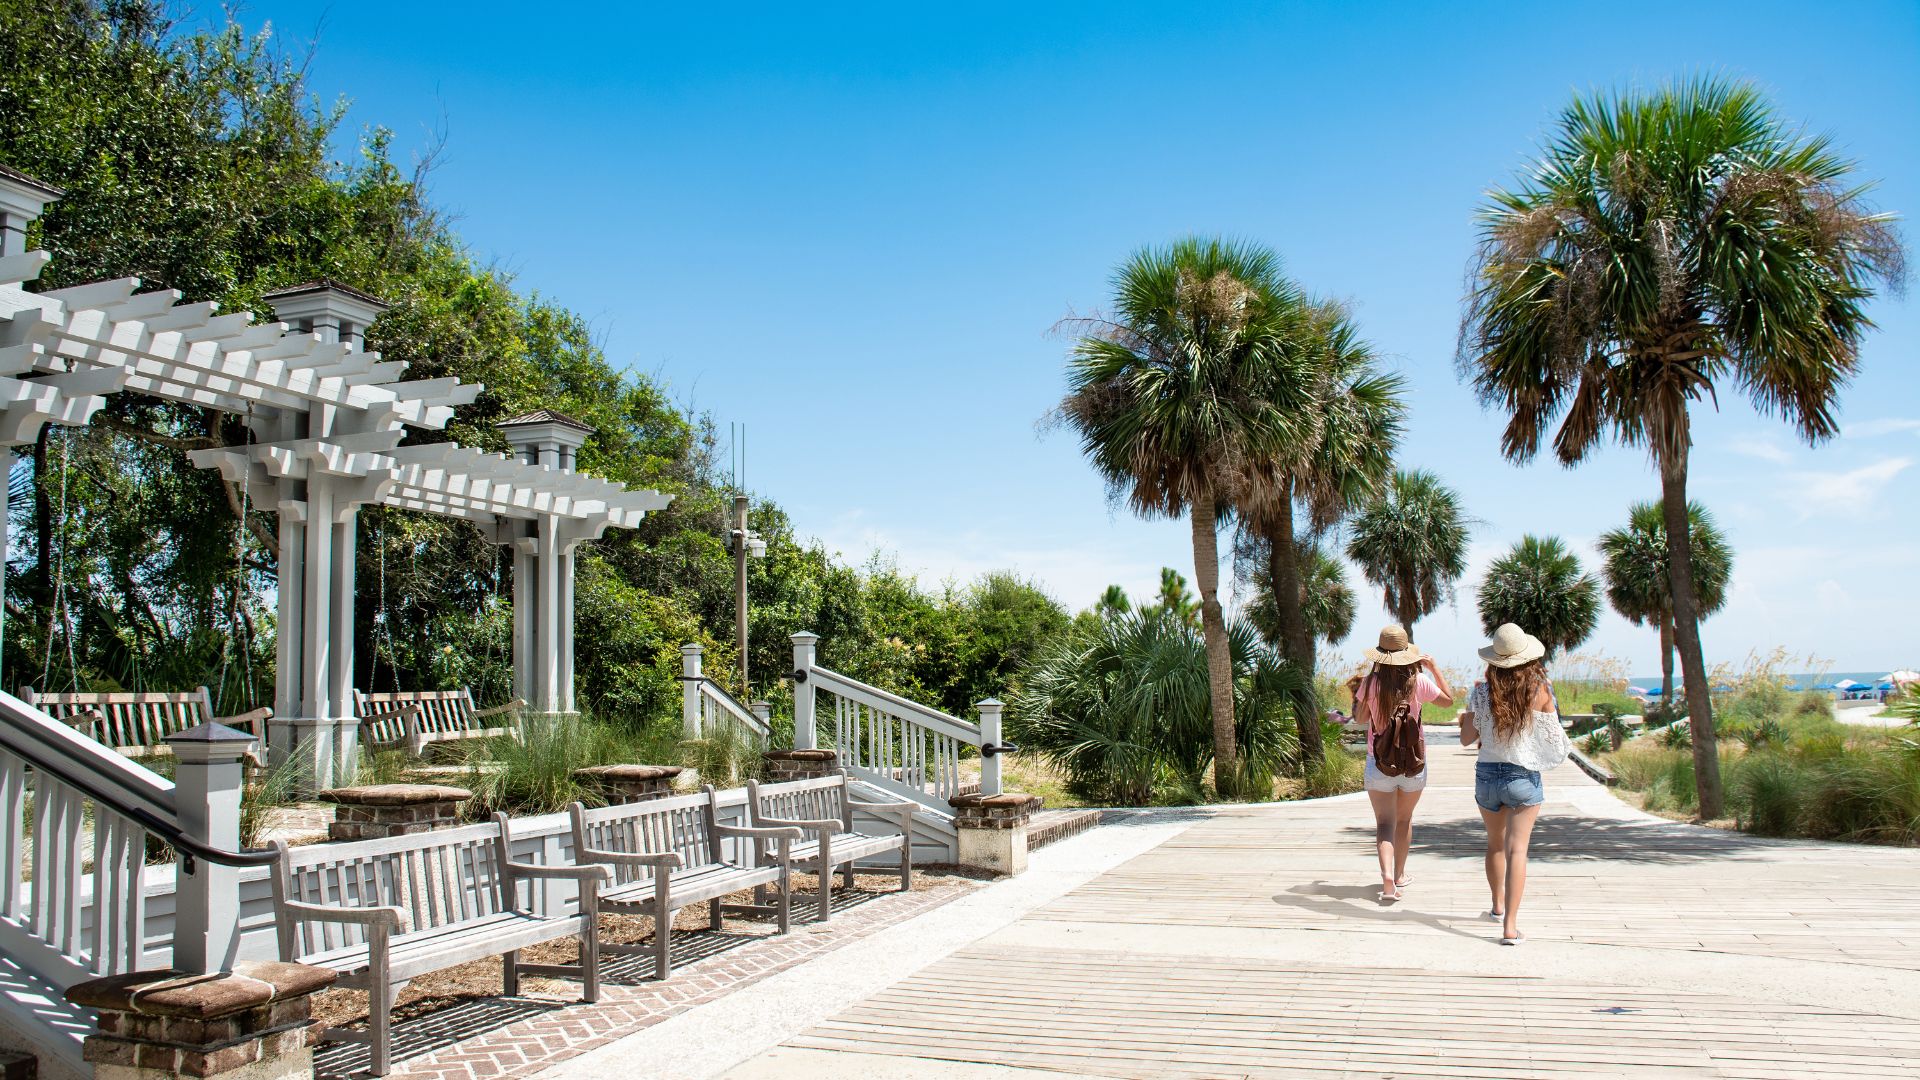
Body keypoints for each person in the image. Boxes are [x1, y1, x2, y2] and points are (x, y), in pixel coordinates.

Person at [1459, 623, 1570, 946]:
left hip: (1487, 776)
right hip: (1522, 777)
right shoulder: (1539, 690)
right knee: (1517, 849)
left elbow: (1467, 739)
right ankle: (1509, 926)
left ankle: (1496, 906)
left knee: (1495, 844)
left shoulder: (1481, 692)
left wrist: (1468, 718)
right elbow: (1556, 738)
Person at [1351, 625, 1453, 903]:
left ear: (1380, 655)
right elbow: (1448, 702)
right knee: (1404, 820)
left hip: (1378, 762)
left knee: (1384, 823)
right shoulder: (1418, 681)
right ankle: (1399, 875)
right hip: (1413, 763)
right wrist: (1433, 668)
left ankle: (1385, 878)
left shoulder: (1371, 683)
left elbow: (1360, 719)